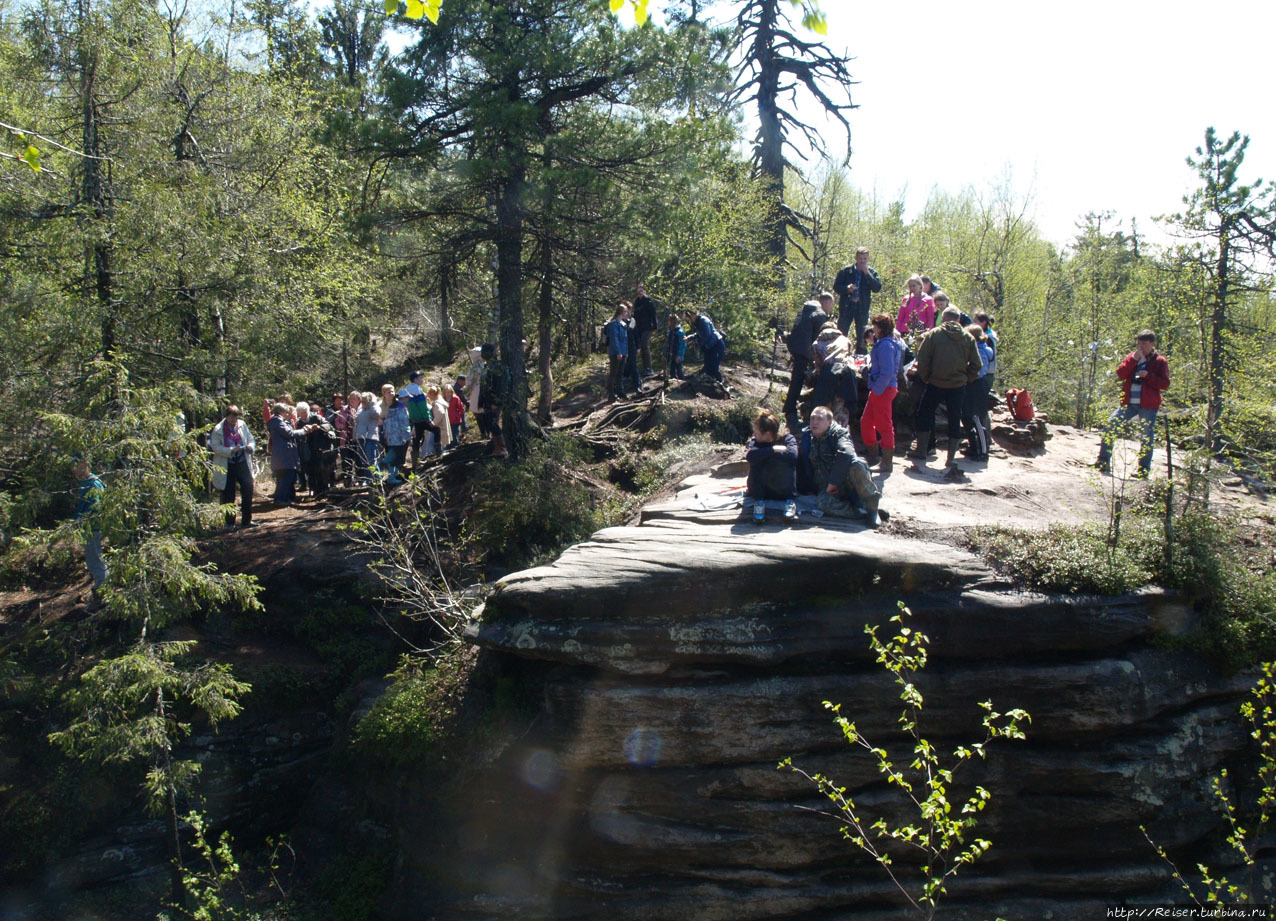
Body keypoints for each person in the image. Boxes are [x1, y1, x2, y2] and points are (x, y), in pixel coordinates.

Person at [908, 306, 983, 468]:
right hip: (957, 386)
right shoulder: (968, 338)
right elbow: (977, 364)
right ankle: (950, 459)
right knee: (955, 420)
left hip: (935, 383)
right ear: (958, 320)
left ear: (943, 318)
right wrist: (966, 379)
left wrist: (926, 377)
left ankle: (922, 451)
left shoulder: (934, 334)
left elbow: (922, 358)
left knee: (924, 414)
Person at [1095, 330, 1170, 477]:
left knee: (1146, 437)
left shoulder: (1160, 361)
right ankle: (1103, 462)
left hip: (1148, 404)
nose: (1141, 347)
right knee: (1110, 425)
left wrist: (1148, 376)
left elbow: (1165, 384)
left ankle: (1143, 471)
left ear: (1152, 344)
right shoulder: (1133, 357)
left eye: (1145, 344)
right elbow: (1121, 374)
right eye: (1139, 343)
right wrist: (1133, 360)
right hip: (1129, 402)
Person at [798, 406, 882, 527]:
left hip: (844, 481)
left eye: (819, 419)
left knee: (857, 464)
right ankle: (861, 512)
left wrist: (833, 482)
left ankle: (873, 509)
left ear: (829, 422)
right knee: (823, 504)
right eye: (812, 418)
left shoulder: (839, 433)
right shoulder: (807, 436)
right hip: (825, 487)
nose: (814, 422)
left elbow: (846, 454)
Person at [861, 314, 904, 472]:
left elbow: (887, 372)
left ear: (881, 328)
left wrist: (877, 389)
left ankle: (886, 463)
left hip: (884, 389)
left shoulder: (886, 345)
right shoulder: (884, 343)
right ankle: (873, 456)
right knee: (866, 422)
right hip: (880, 388)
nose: (873, 329)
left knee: (884, 425)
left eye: (875, 326)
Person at [782, 298, 828, 431]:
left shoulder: (803, 311)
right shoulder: (820, 315)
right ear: (826, 303)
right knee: (799, 380)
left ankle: (790, 408)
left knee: (796, 379)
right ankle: (793, 411)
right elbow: (819, 338)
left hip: (795, 347)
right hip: (804, 350)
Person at [211, 405, 256, 528]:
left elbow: (251, 439)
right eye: (232, 416)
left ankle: (247, 520)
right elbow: (215, 447)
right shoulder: (218, 429)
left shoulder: (242, 425)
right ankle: (230, 523)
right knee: (229, 493)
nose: (234, 419)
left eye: (236, 417)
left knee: (248, 489)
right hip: (227, 464)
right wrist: (230, 450)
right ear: (227, 416)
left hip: (242, 462)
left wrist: (250, 447)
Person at [832, 246, 883, 353]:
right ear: (856, 257)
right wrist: (846, 289)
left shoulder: (872, 273)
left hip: (862, 308)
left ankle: (861, 358)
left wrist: (867, 274)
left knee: (862, 335)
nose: (862, 261)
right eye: (860, 258)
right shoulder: (846, 271)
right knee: (841, 333)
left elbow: (877, 288)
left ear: (868, 259)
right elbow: (836, 287)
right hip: (847, 307)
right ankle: (839, 355)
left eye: (865, 259)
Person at [71, 455, 108, 601]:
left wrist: (79, 520)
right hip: (88, 528)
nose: (74, 469)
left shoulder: (93, 484)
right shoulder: (85, 483)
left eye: (76, 465)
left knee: (95, 560)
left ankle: (102, 594)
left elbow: (94, 507)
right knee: (92, 560)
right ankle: (101, 591)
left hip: (93, 528)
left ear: (86, 464)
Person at [745, 409, 798, 505]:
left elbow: (792, 456)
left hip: (782, 489)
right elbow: (750, 457)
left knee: (785, 464)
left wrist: (764, 455)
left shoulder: (787, 439)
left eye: (756, 433)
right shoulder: (755, 441)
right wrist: (773, 450)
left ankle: (789, 502)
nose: (754, 435)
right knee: (757, 462)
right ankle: (759, 503)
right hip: (760, 491)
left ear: (767, 434)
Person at [811, 321, 854, 424]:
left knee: (825, 408)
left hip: (828, 375)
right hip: (846, 375)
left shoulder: (816, 344)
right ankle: (840, 431)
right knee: (841, 406)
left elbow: (819, 365)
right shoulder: (845, 340)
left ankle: (824, 432)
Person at [962, 325, 993, 461]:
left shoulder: (980, 349)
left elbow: (978, 370)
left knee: (977, 418)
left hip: (977, 384)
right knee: (966, 416)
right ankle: (973, 447)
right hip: (972, 384)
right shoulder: (979, 348)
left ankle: (983, 452)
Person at [403, 370, 442, 466]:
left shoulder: (406, 390)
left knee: (417, 439)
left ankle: (415, 463)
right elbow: (423, 407)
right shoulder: (418, 390)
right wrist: (428, 419)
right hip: (422, 419)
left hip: (413, 419)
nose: (422, 379)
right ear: (415, 379)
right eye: (420, 378)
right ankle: (439, 456)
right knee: (436, 430)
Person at [478, 342, 511, 458]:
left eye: (485, 352)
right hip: (487, 402)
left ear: (492, 353)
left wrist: (497, 402)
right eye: (482, 352)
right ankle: (496, 447)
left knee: (493, 423)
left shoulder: (498, 367)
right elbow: (483, 386)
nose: (483, 354)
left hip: (494, 401)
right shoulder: (487, 367)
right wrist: (481, 402)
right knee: (488, 423)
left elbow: (502, 386)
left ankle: (502, 448)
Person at [268, 402, 304, 505]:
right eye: (286, 411)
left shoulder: (281, 421)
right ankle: (280, 499)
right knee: (284, 478)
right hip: (283, 455)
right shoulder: (276, 421)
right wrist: (304, 431)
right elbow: (289, 433)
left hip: (286, 454)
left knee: (289, 477)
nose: (288, 414)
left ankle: (288, 497)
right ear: (280, 411)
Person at [300, 402, 338, 495]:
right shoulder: (299, 422)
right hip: (308, 449)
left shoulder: (316, 417)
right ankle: (313, 488)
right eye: (301, 412)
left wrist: (318, 427)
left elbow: (329, 426)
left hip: (320, 447)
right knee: (310, 470)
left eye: (305, 412)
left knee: (322, 469)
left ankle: (323, 488)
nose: (304, 414)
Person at [685, 308, 726, 383]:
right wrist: (690, 337)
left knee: (714, 367)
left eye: (690, 316)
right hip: (709, 347)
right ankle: (711, 385)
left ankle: (720, 384)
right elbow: (699, 334)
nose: (690, 319)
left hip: (716, 345)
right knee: (708, 367)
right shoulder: (698, 322)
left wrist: (699, 346)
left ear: (694, 314)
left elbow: (706, 335)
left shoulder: (703, 320)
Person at [382, 391, 412, 485]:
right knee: (397, 459)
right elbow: (404, 424)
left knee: (393, 453)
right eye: (407, 397)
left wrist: (386, 436)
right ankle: (392, 477)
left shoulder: (391, 408)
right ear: (403, 399)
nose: (408, 399)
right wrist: (408, 437)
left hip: (391, 437)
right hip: (400, 438)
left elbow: (386, 424)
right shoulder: (402, 409)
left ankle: (384, 462)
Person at [604, 303, 630, 401]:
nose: (627, 313)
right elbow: (614, 340)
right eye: (625, 311)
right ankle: (611, 394)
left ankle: (620, 391)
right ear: (621, 312)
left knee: (620, 373)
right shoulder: (613, 325)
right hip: (615, 353)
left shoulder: (623, 325)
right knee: (613, 373)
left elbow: (624, 340)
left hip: (623, 352)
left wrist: (625, 352)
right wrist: (618, 352)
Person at [632, 283, 658, 377]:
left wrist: (655, 326)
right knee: (638, 346)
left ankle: (649, 368)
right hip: (639, 327)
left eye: (641, 290)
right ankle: (641, 368)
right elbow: (635, 314)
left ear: (644, 290)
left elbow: (653, 313)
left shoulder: (647, 300)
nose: (640, 292)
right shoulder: (636, 301)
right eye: (638, 290)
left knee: (644, 345)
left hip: (647, 327)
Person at [354, 391, 381, 483]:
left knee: (371, 459)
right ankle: (368, 479)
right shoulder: (360, 409)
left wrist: (372, 404)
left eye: (365, 401)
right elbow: (356, 418)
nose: (363, 403)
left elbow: (377, 414)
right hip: (361, 436)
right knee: (364, 460)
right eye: (362, 401)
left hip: (371, 436)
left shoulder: (374, 407)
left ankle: (376, 479)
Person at [430, 385, 452, 451]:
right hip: (443, 429)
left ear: (432, 394)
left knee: (440, 450)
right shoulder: (441, 401)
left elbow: (440, 413)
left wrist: (434, 423)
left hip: (441, 430)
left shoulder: (437, 403)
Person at [665, 313, 686, 381]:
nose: (668, 322)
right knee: (672, 370)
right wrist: (664, 353)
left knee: (679, 370)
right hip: (671, 354)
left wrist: (679, 355)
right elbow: (666, 343)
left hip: (677, 355)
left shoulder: (680, 332)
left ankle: (683, 384)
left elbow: (683, 345)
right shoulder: (670, 332)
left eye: (670, 321)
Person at [448, 380, 468, 446]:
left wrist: (458, 416)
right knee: (450, 434)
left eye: (449, 392)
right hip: (448, 420)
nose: (447, 393)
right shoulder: (443, 399)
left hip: (455, 419)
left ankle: (455, 447)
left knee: (454, 434)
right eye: (446, 392)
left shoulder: (455, 398)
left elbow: (461, 408)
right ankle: (450, 446)